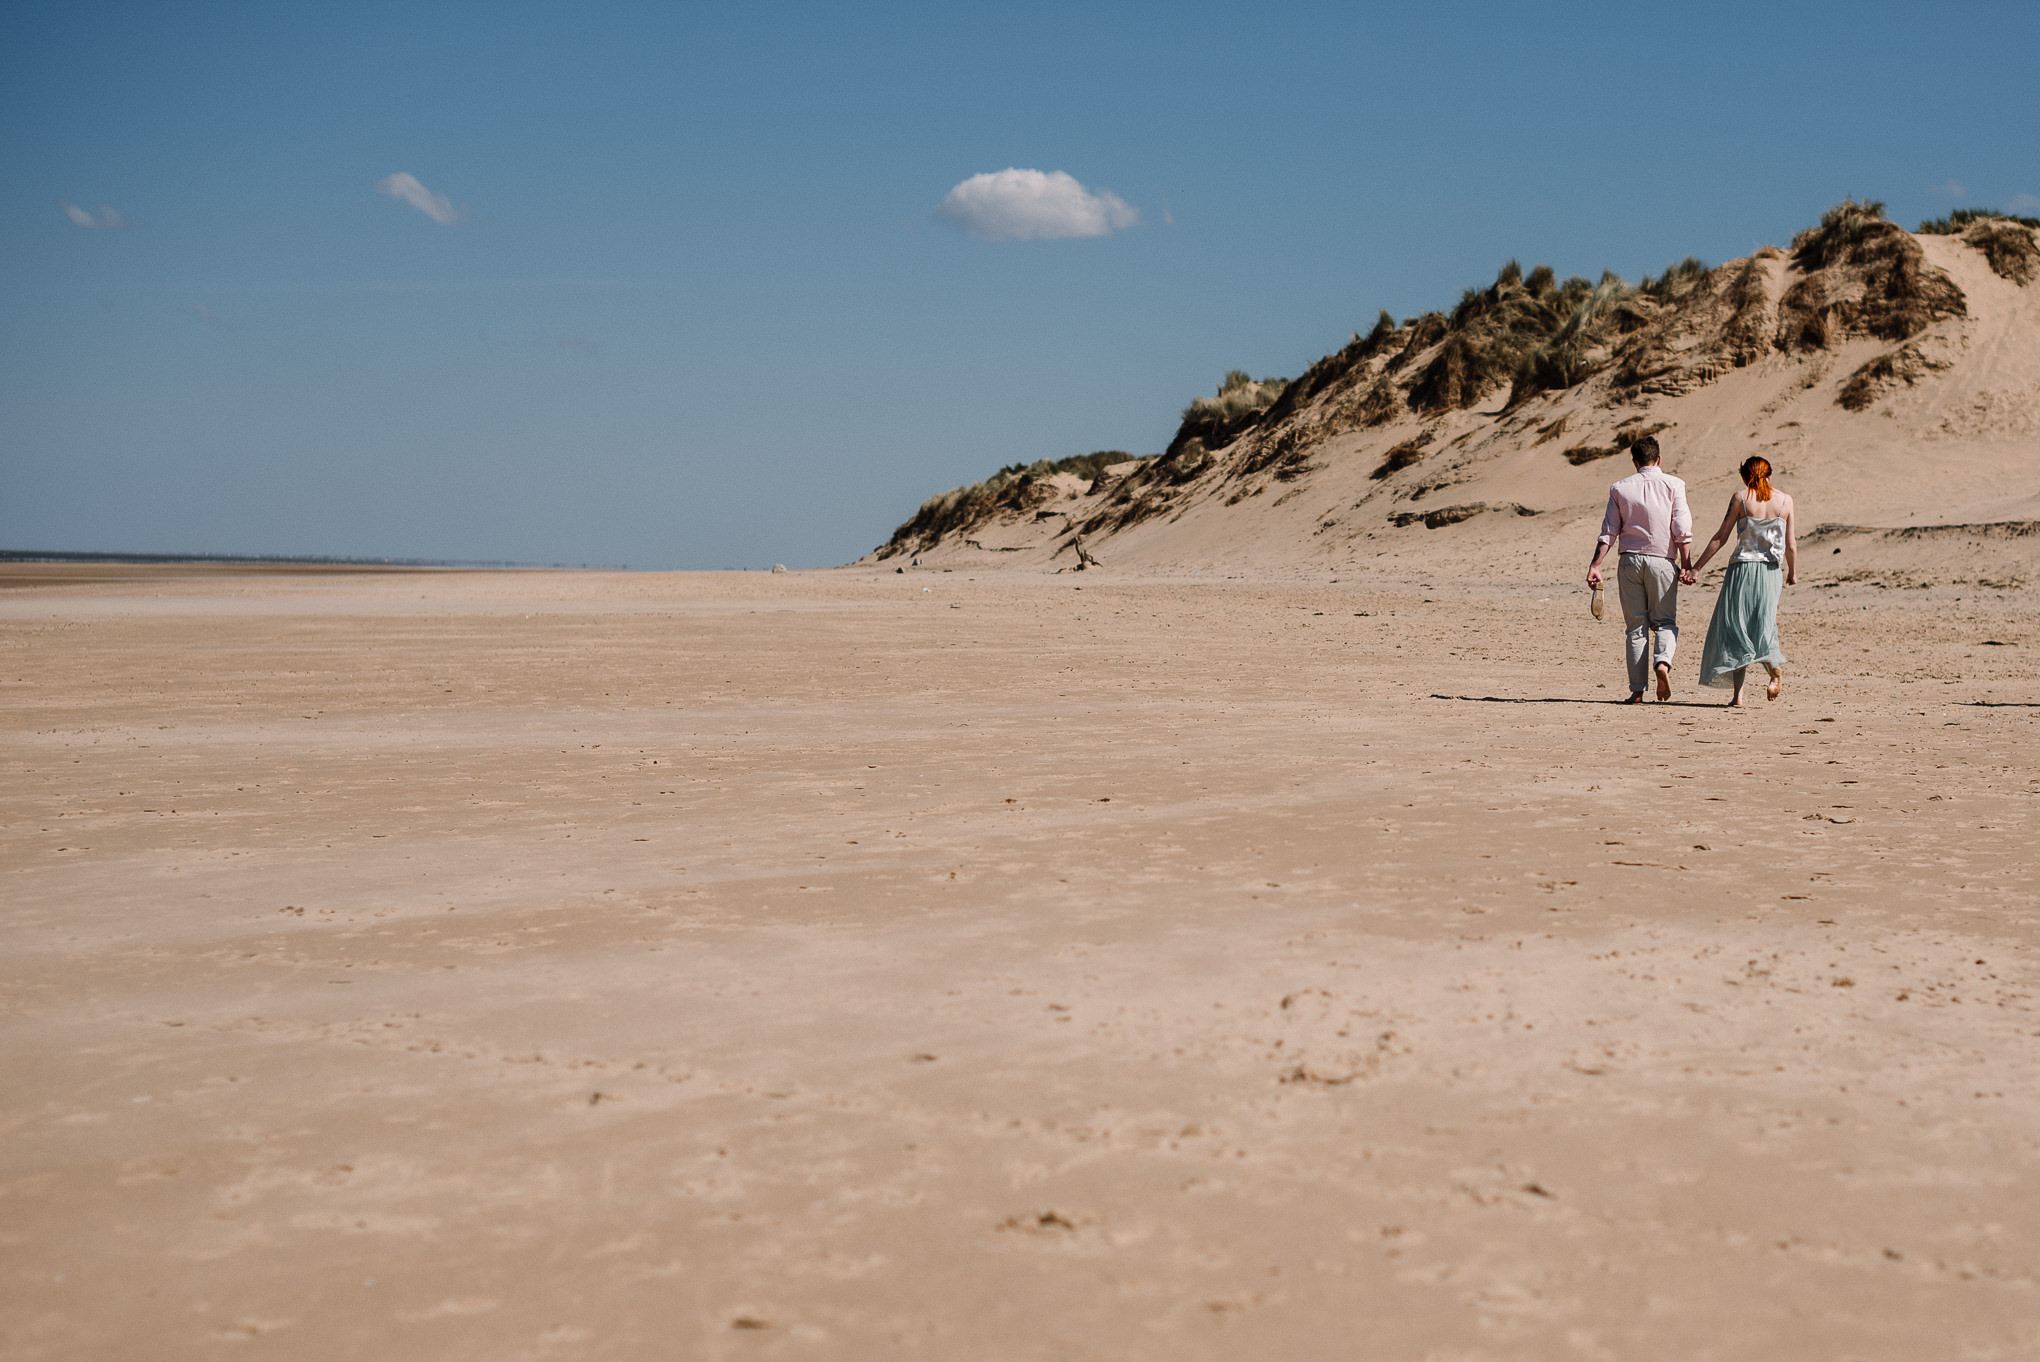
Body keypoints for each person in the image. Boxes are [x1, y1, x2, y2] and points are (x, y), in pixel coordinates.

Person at [1585, 436, 1695, 703]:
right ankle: (1662, 664)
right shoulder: (1674, 484)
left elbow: (1609, 531)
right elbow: (1681, 529)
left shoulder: (1620, 488)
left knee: (1636, 627)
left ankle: (1637, 691)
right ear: (1659, 459)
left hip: (1630, 560)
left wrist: (1596, 564)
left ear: (1634, 462)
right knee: (1665, 622)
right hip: (1662, 561)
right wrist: (1687, 564)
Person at [1691, 455, 1796, 705]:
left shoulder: (1741, 498)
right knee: (1763, 624)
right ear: (1769, 474)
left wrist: (1696, 568)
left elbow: (1721, 537)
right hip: (1771, 573)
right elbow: (1791, 544)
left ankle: (1741, 694)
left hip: (1742, 571)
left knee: (1737, 628)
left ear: (1745, 476)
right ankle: (1769, 673)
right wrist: (1792, 572)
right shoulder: (1785, 501)